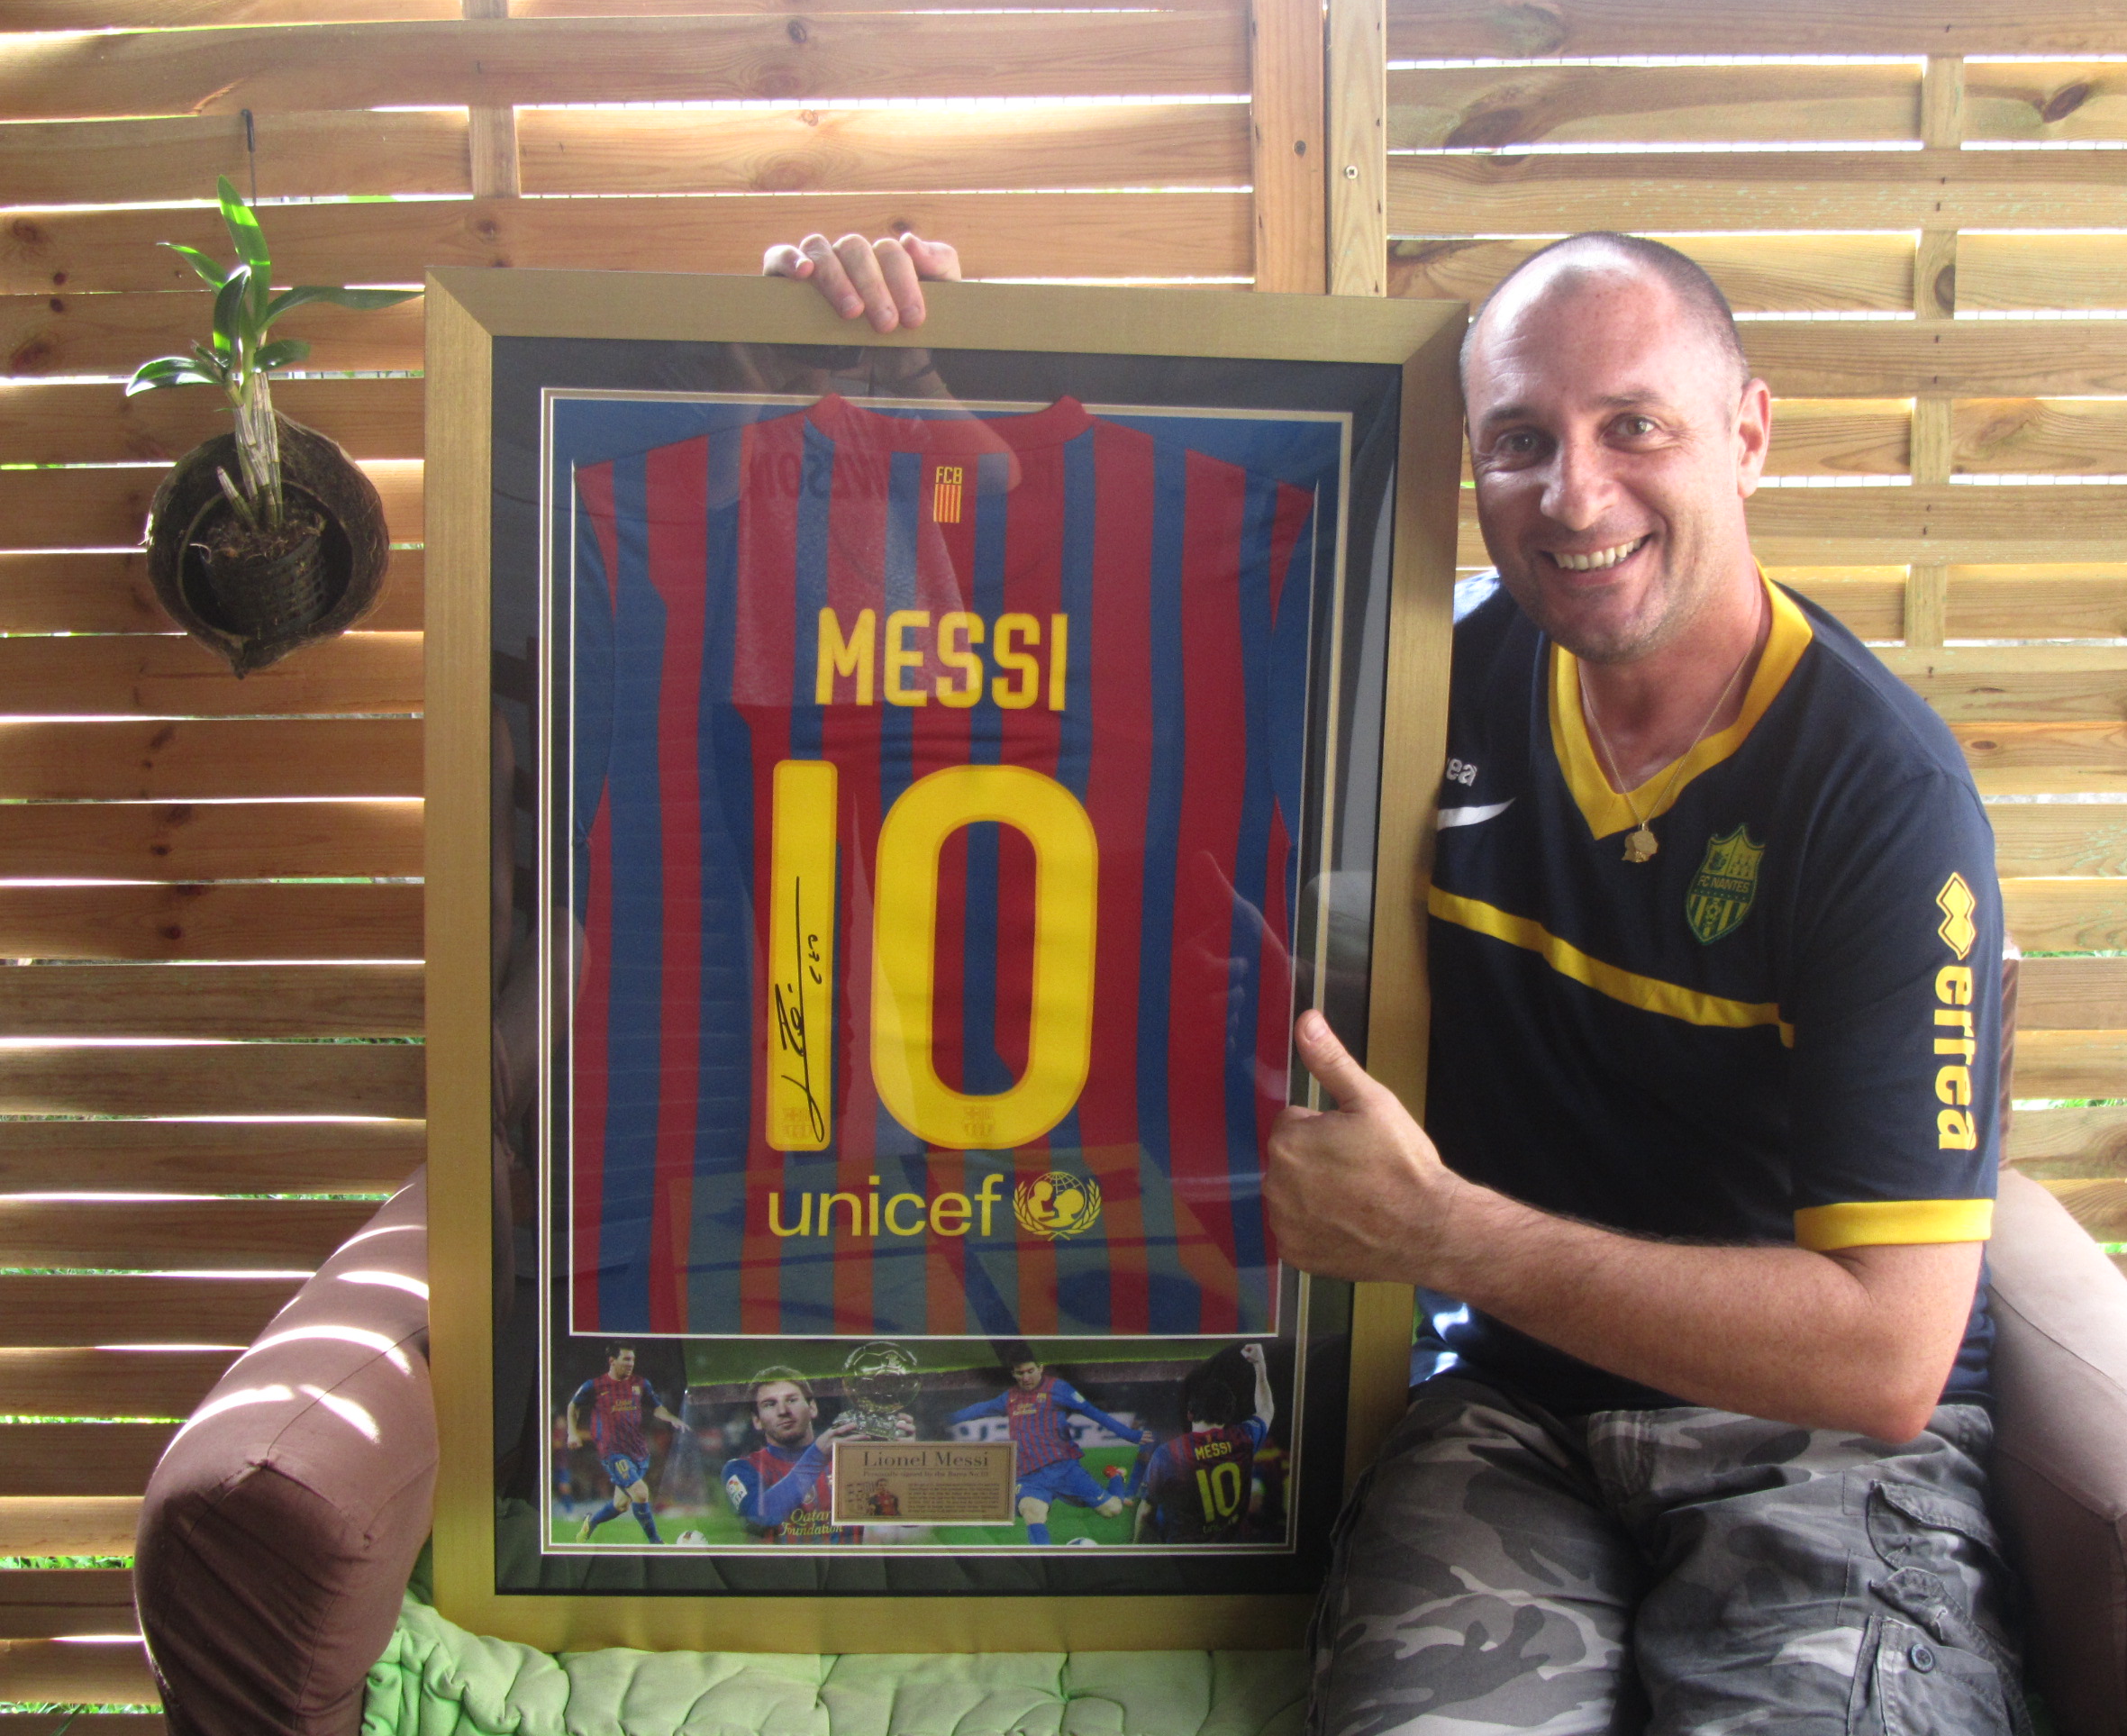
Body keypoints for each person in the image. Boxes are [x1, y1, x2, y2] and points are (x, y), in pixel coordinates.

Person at [765, 230, 2017, 1731]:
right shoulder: (1424, 689)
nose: (1574, 493)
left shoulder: (1880, 796)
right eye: (1520, 440)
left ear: (1746, 434)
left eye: (1634, 425)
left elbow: (1887, 1356)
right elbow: (1043, 630)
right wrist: (905, 372)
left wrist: (1445, 1235)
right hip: (1513, 1414)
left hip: (1811, 1442)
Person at [947, 1343, 1152, 1545]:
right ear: (1013, 1373)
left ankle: (1116, 1476)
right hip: (1029, 1475)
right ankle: (1048, 1561)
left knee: (1113, 1509)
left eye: (1030, 1371)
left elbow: (1094, 1413)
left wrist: (1130, 1434)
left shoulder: (1059, 1389)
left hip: (1064, 1469)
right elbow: (979, 1409)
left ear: (1041, 1368)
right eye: (1020, 1373)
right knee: (1032, 1512)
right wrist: (943, 1420)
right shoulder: (1009, 1398)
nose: (1026, 1378)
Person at [1136, 1341, 1275, 1544]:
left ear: (1190, 1414)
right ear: (1228, 1414)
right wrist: (1259, 1364)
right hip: (1230, 1550)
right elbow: (1266, 1409)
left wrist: (1135, 1548)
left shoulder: (1169, 1453)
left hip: (1183, 1553)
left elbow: (1145, 1513)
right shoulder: (1244, 1438)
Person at [721, 1368, 864, 1544]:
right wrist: (817, 1456)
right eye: (770, 1404)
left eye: (792, 1400)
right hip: (781, 1564)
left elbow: (894, 1517)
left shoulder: (850, 1461)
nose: (783, 1410)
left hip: (845, 1562)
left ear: (812, 1408)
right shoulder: (741, 1468)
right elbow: (760, 1517)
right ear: (757, 1420)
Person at [564, 1342, 681, 1544]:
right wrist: (572, 1432)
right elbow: (573, 1406)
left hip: (638, 1452)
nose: (630, 1363)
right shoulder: (595, 1385)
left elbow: (656, 1407)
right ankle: (657, 1543)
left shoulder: (640, 1384)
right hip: (613, 1452)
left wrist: (671, 1418)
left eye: (632, 1359)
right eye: (626, 1359)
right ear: (612, 1361)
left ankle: (591, 1522)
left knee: (621, 1505)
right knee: (641, 1493)